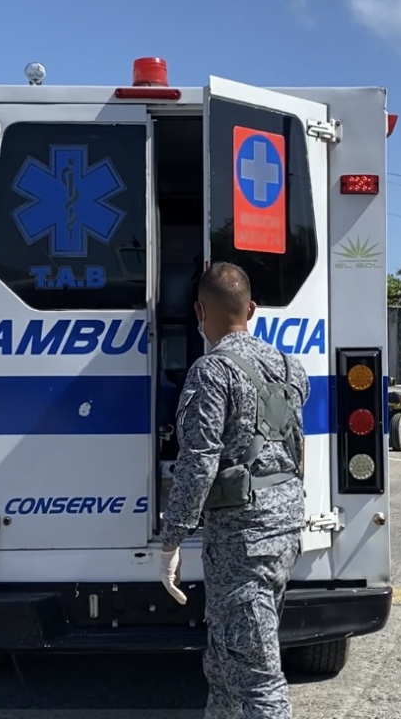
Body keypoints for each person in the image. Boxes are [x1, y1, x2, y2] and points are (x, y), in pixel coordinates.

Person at [159, 261, 309, 719]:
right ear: (253, 309)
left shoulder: (212, 372)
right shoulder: (289, 366)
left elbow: (198, 461)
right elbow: (296, 446)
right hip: (284, 530)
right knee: (225, 659)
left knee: (257, 679)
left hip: (243, 543)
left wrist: (172, 537)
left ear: (200, 312)